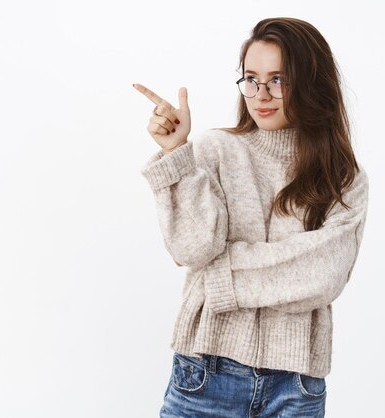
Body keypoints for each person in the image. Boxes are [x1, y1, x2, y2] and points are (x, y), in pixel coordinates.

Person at [133, 17, 368, 418]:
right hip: (205, 372)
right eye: (251, 79)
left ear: (313, 82)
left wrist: (218, 277)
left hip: (296, 387)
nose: (261, 94)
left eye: (279, 79)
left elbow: (324, 274)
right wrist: (177, 156)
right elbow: (192, 249)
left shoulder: (342, 176)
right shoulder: (215, 151)